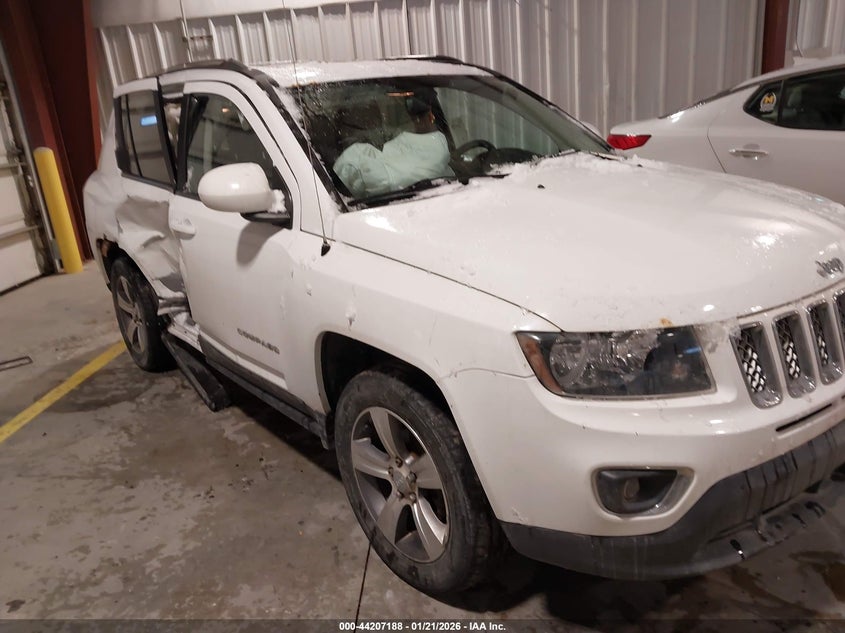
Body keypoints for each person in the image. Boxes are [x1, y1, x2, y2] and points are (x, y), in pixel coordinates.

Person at [333, 88, 451, 198]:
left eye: (375, 113)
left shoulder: (424, 145)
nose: (375, 117)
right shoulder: (356, 153)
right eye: (368, 113)